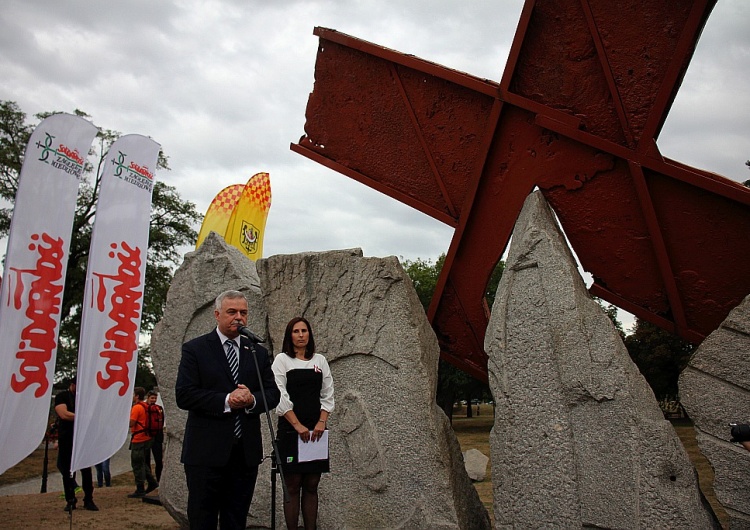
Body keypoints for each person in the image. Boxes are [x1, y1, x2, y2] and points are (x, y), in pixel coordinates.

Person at [176, 289, 280, 529]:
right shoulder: (196, 349)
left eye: (243, 313)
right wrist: (227, 400)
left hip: (244, 455)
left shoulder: (257, 352)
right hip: (205, 454)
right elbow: (184, 395)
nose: (238, 318)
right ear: (217, 314)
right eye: (231, 312)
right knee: (203, 520)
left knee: (236, 519)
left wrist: (251, 400)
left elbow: (272, 394)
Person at [272, 317, 334, 530]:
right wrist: (297, 425)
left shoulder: (320, 361)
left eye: (304, 331)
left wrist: (321, 421)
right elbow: (279, 394)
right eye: (296, 331)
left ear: (309, 334)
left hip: (316, 431)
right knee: (292, 484)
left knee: (311, 484)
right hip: (291, 430)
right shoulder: (282, 360)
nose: (301, 335)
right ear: (290, 335)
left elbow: (328, 394)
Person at [54, 376, 99, 512]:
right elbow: (63, 414)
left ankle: (89, 499)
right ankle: (70, 500)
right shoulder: (62, 396)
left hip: (83, 438)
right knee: (67, 471)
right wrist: (83, 415)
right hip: (67, 437)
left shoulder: (85, 398)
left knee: (86, 471)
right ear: (72, 385)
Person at [128, 386, 158, 498]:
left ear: (136, 396)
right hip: (147, 438)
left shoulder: (136, 408)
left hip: (138, 438)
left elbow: (132, 423)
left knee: (137, 464)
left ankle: (140, 489)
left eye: (133, 394)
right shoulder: (146, 406)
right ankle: (152, 482)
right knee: (143, 462)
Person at [145, 389, 165, 482]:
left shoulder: (159, 408)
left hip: (156, 435)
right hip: (148, 436)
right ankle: (151, 480)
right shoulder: (145, 408)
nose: (153, 400)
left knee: (158, 460)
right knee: (146, 460)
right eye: (152, 398)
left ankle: (159, 479)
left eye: (155, 398)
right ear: (147, 398)